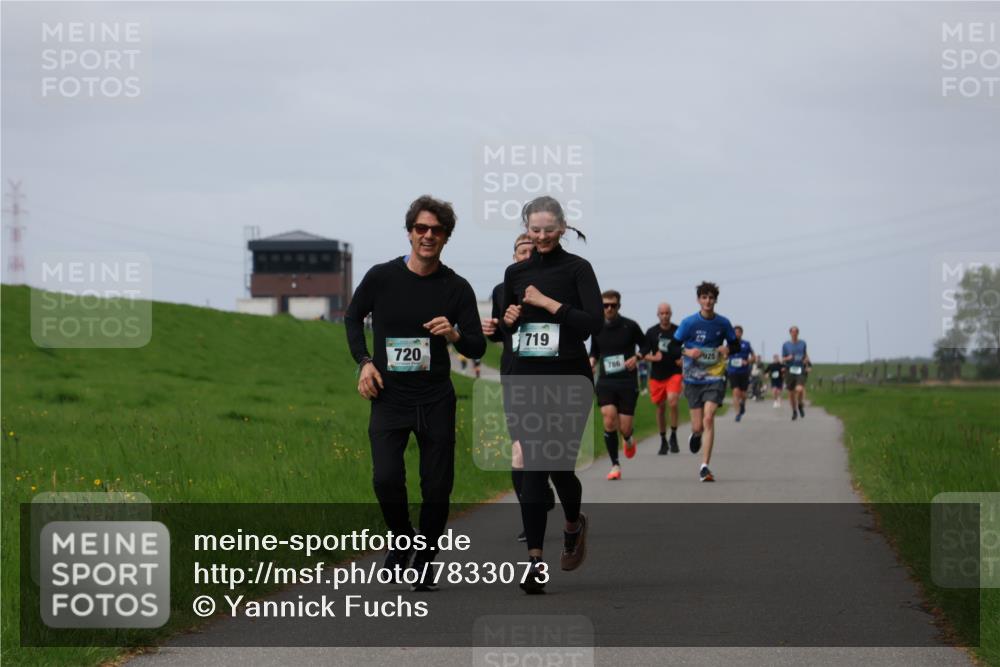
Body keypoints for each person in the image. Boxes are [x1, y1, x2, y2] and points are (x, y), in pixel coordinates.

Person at [345, 195, 486, 591]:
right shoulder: (382, 277)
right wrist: (365, 361)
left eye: (436, 231)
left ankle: (424, 559)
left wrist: (454, 333)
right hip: (389, 396)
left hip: (435, 398)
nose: (428, 236)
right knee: (386, 479)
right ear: (410, 233)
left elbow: (476, 346)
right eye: (421, 229)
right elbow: (354, 316)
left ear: (446, 238)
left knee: (437, 486)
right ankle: (402, 535)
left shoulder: (456, 288)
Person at [501, 196, 602, 594]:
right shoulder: (514, 273)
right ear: (527, 228)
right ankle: (535, 562)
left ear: (562, 228)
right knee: (532, 467)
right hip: (527, 381)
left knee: (560, 469)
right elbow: (510, 332)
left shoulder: (578, 269)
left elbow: (590, 324)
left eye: (548, 229)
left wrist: (548, 303)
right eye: (535, 229)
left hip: (569, 381)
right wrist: (509, 320)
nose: (541, 236)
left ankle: (574, 525)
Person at [481, 233, 554, 542]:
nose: (526, 256)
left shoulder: (552, 287)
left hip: (551, 376)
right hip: (515, 375)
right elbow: (503, 334)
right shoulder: (502, 289)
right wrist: (492, 330)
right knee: (520, 449)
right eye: (521, 251)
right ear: (514, 256)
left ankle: (544, 487)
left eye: (531, 251)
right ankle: (529, 514)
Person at [674, 281, 738, 482]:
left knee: (709, 418)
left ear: (715, 300)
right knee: (697, 426)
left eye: (711, 297)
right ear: (698, 300)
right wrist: (687, 351)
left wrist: (727, 349)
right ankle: (695, 435)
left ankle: (704, 467)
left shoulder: (723, 323)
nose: (708, 301)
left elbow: (734, 346)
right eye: (704, 297)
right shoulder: (689, 323)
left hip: (715, 375)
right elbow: (673, 347)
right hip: (693, 377)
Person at [589, 290, 646, 480]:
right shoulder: (596, 328)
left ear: (619, 306)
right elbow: (594, 351)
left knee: (625, 427)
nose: (609, 308)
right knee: (608, 418)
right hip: (606, 381)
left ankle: (628, 438)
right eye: (605, 305)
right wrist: (591, 361)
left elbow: (646, 346)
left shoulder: (630, 326)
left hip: (627, 381)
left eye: (613, 305)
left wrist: (636, 357)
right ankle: (615, 464)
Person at [642, 302, 683, 455]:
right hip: (657, 376)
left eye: (667, 313)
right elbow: (643, 352)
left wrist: (683, 359)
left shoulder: (678, 330)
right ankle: (663, 439)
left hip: (674, 372)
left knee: (672, 401)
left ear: (671, 314)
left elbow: (685, 349)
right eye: (662, 313)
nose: (665, 316)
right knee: (660, 408)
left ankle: (673, 434)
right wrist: (653, 358)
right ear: (658, 315)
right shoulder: (651, 332)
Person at [725, 325, 756, 422]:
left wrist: (748, 361)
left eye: (738, 332)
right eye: (734, 332)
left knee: (743, 394)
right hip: (733, 371)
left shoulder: (746, 344)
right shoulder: (729, 344)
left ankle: (742, 404)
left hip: (744, 371)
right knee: (735, 392)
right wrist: (725, 356)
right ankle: (737, 414)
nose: (736, 334)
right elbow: (725, 355)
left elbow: (753, 357)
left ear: (741, 333)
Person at [782, 326, 810, 421]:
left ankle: (800, 404)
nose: (794, 333)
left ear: (798, 333)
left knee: (800, 389)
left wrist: (807, 361)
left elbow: (805, 355)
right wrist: (787, 358)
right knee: (791, 393)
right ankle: (794, 411)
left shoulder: (802, 343)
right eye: (792, 332)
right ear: (790, 333)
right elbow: (783, 359)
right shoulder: (786, 345)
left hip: (800, 369)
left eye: (796, 332)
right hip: (790, 370)